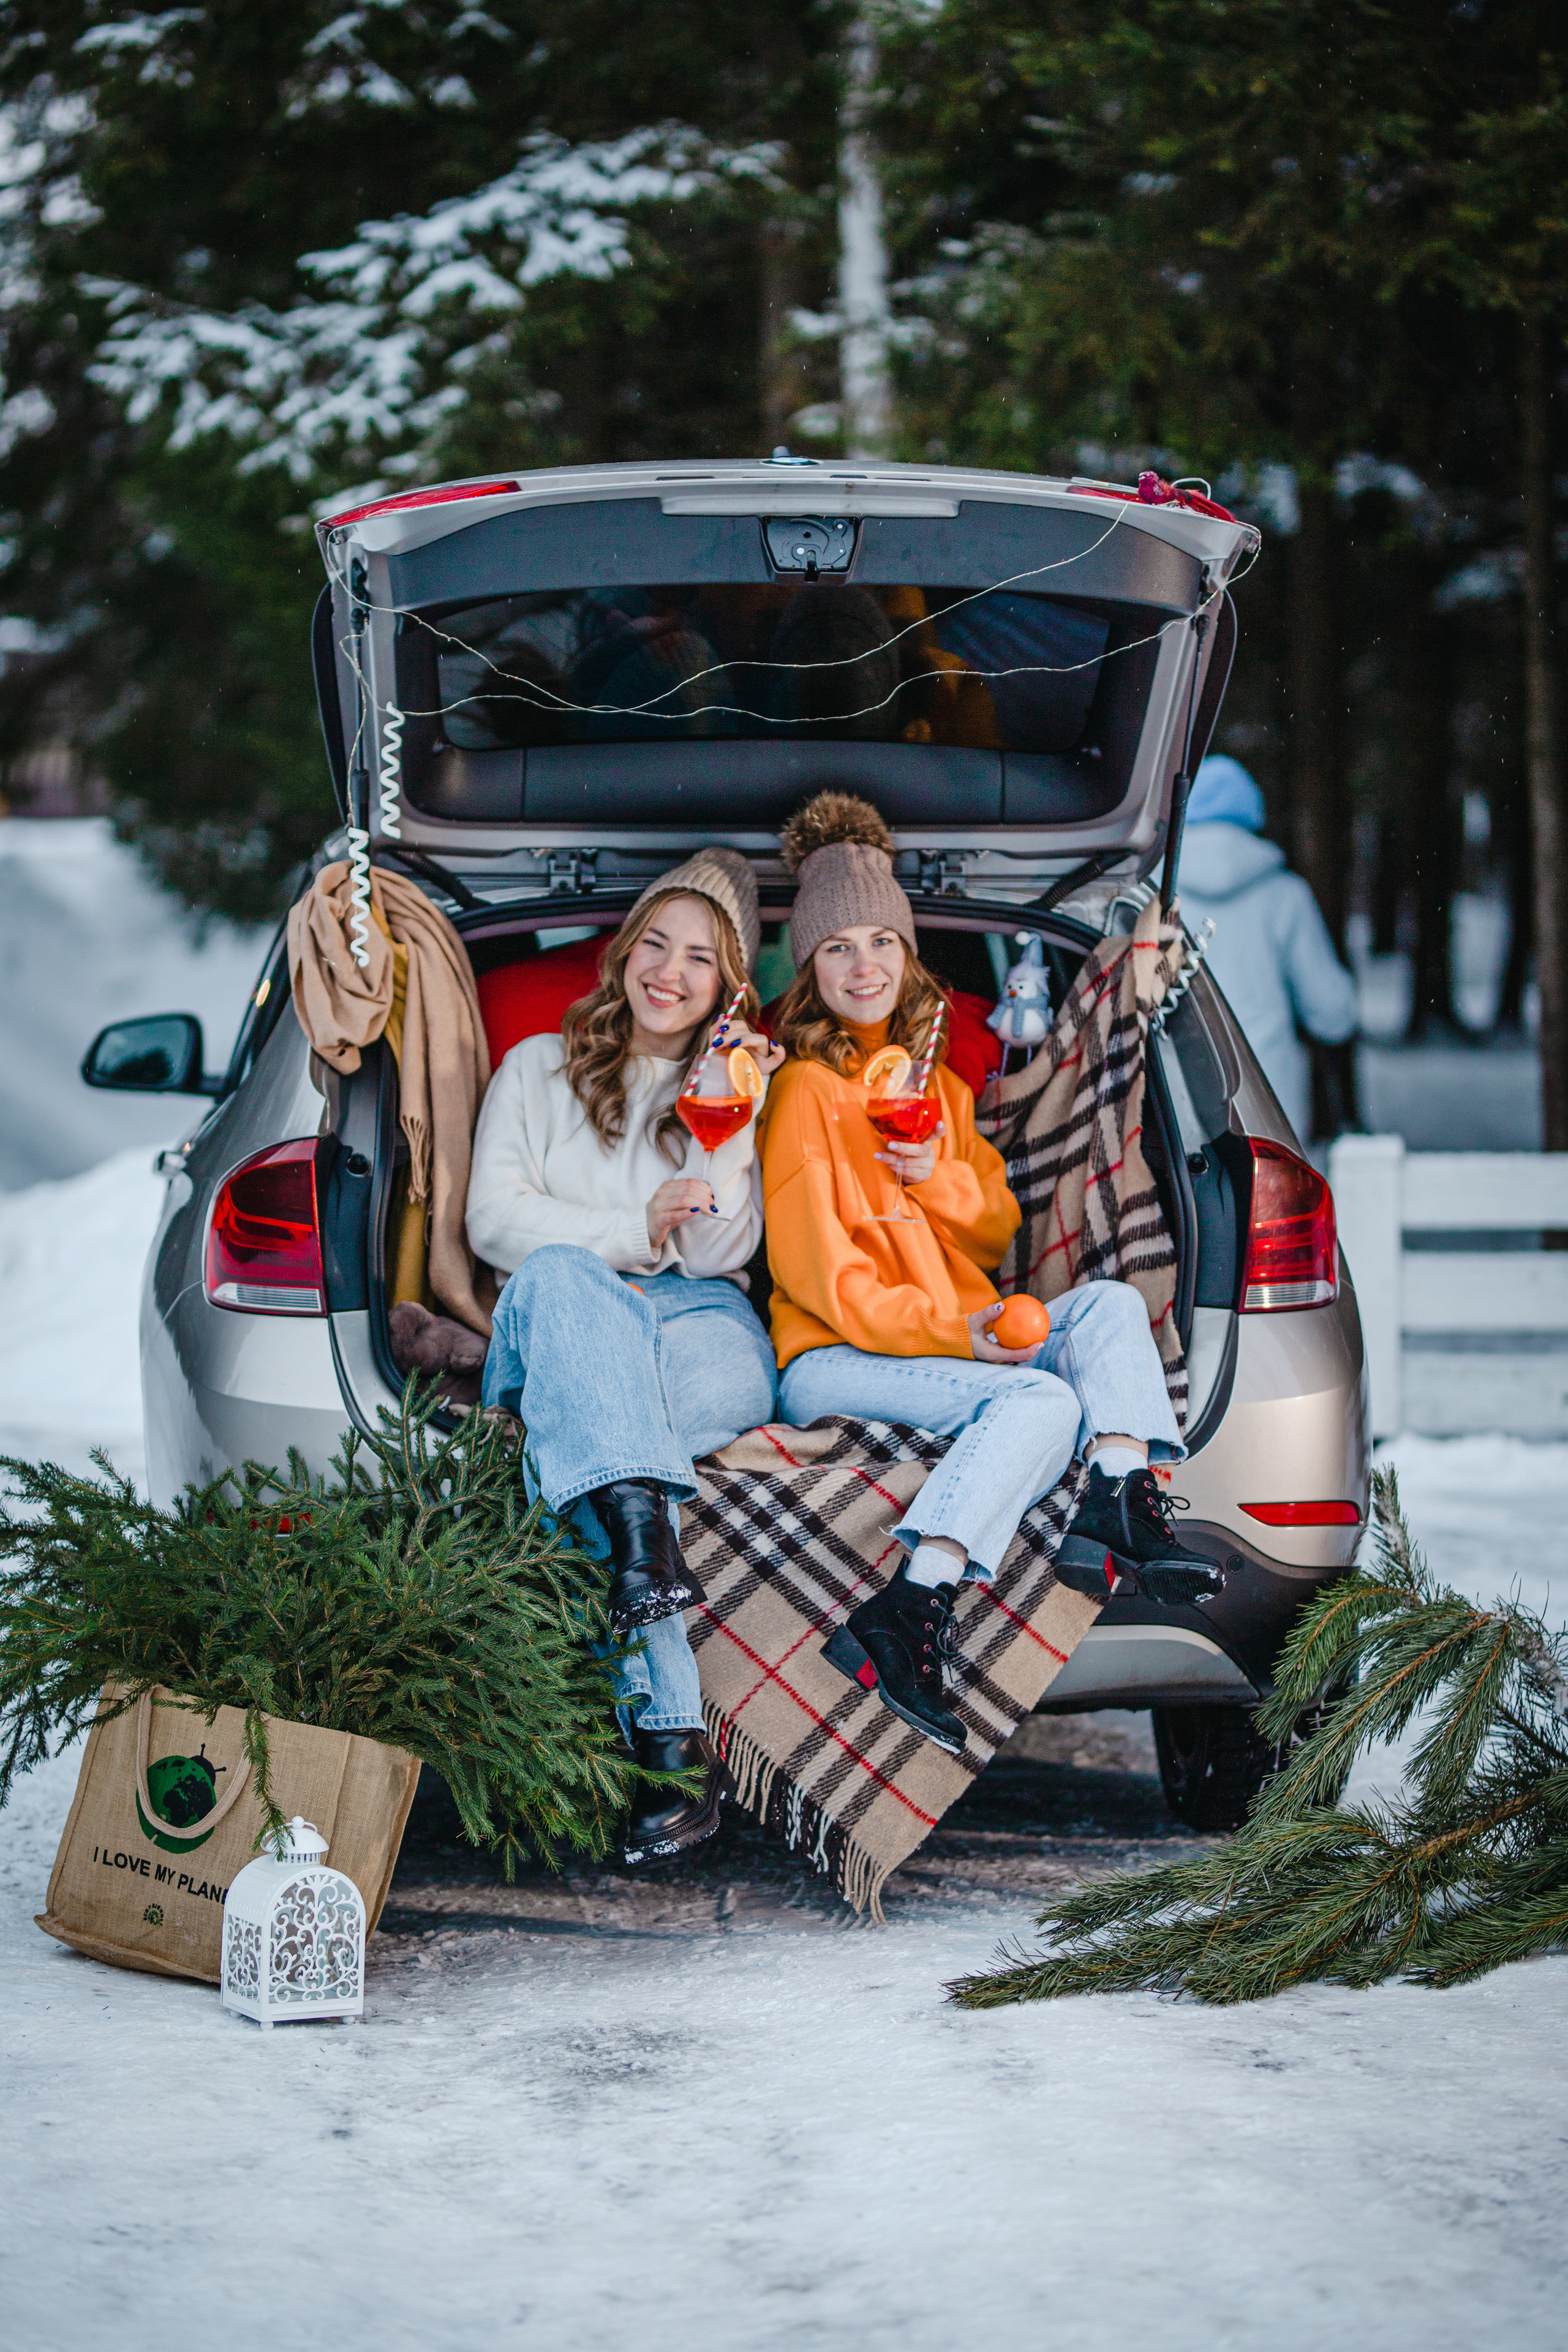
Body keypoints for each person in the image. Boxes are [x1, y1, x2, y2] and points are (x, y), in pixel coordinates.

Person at [760, 792, 1219, 1755]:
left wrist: (937, 1181)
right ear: (809, 966)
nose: (863, 965)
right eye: (837, 947)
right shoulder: (804, 1089)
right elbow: (820, 1273)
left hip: (957, 1332)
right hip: (839, 1352)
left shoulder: (939, 1090)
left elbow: (996, 1228)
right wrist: (951, 1334)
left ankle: (1124, 1491)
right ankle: (910, 1603)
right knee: (1042, 1407)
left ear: (908, 954)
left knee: (1103, 1305)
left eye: (881, 941)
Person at [465, 849, 784, 1864]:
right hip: (563, 1314)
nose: (669, 972)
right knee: (566, 1276)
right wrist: (633, 1226)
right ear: (624, 946)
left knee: (620, 1448)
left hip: (700, 1326)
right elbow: (489, 1222)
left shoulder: (722, 1092)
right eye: (656, 941)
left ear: (729, 989)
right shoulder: (534, 1069)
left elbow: (725, 1253)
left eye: (700, 959)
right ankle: (671, 1733)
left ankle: (644, 1565)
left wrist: (726, 1127)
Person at [1177, 754, 1359, 1140]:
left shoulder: (1152, 895)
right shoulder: (1284, 894)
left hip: (1173, 1096)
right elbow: (1333, 1014)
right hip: (1268, 1103)